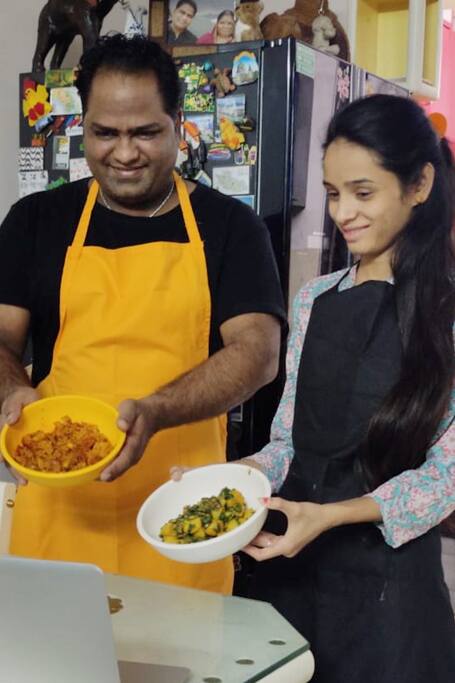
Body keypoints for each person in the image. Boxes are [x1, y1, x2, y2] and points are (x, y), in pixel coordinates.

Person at [0, 34, 285, 595]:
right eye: (105, 133)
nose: (125, 153)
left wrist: (155, 411)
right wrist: (11, 391)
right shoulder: (36, 220)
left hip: (179, 512)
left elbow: (258, 353)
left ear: (178, 125)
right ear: (84, 126)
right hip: (60, 511)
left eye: (145, 132)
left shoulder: (231, 227)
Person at [239, 95, 455, 681]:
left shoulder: (446, 313)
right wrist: (233, 478)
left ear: (419, 185)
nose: (343, 213)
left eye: (363, 193)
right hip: (289, 573)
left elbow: (445, 476)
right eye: (333, 194)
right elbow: (287, 441)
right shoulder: (314, 299)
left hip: (388, 599)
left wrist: (332, 515)